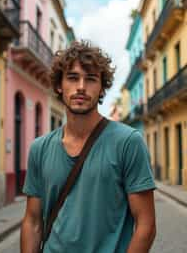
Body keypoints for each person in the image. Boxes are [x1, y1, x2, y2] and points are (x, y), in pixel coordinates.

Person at [21, 40, 156, 253]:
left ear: (102, 87)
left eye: (91, 79)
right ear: (59, 85)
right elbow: (33, 221)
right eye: (73, 78)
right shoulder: (39, 148)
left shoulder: (128, 142)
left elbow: (146, 226)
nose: (81, 87)